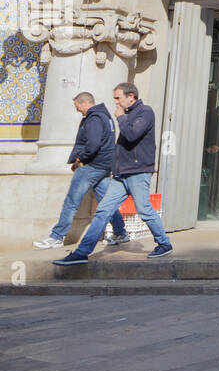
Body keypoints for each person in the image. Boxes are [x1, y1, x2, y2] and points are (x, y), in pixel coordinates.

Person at [54, 82, 173, 264]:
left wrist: (120, 118)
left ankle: (164, 243)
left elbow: (132, 135)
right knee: (102, 211)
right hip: (121, 174)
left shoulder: (145, 112)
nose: (116, 103)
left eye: (118, 98)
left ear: (130, 96)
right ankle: (82, 252)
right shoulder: (127, 114)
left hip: (138, 172)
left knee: (144, 210)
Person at [33, 92, 129, 250]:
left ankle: (56, 237)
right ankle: (120, 232)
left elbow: (93, 144)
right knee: (106, 202)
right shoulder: (105, 117)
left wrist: (80, 160)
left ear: (84, 102)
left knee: (71, 202)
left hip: (91, 166)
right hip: (103, 167)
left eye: (77, 105)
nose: (77, 109)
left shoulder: (94, 118)